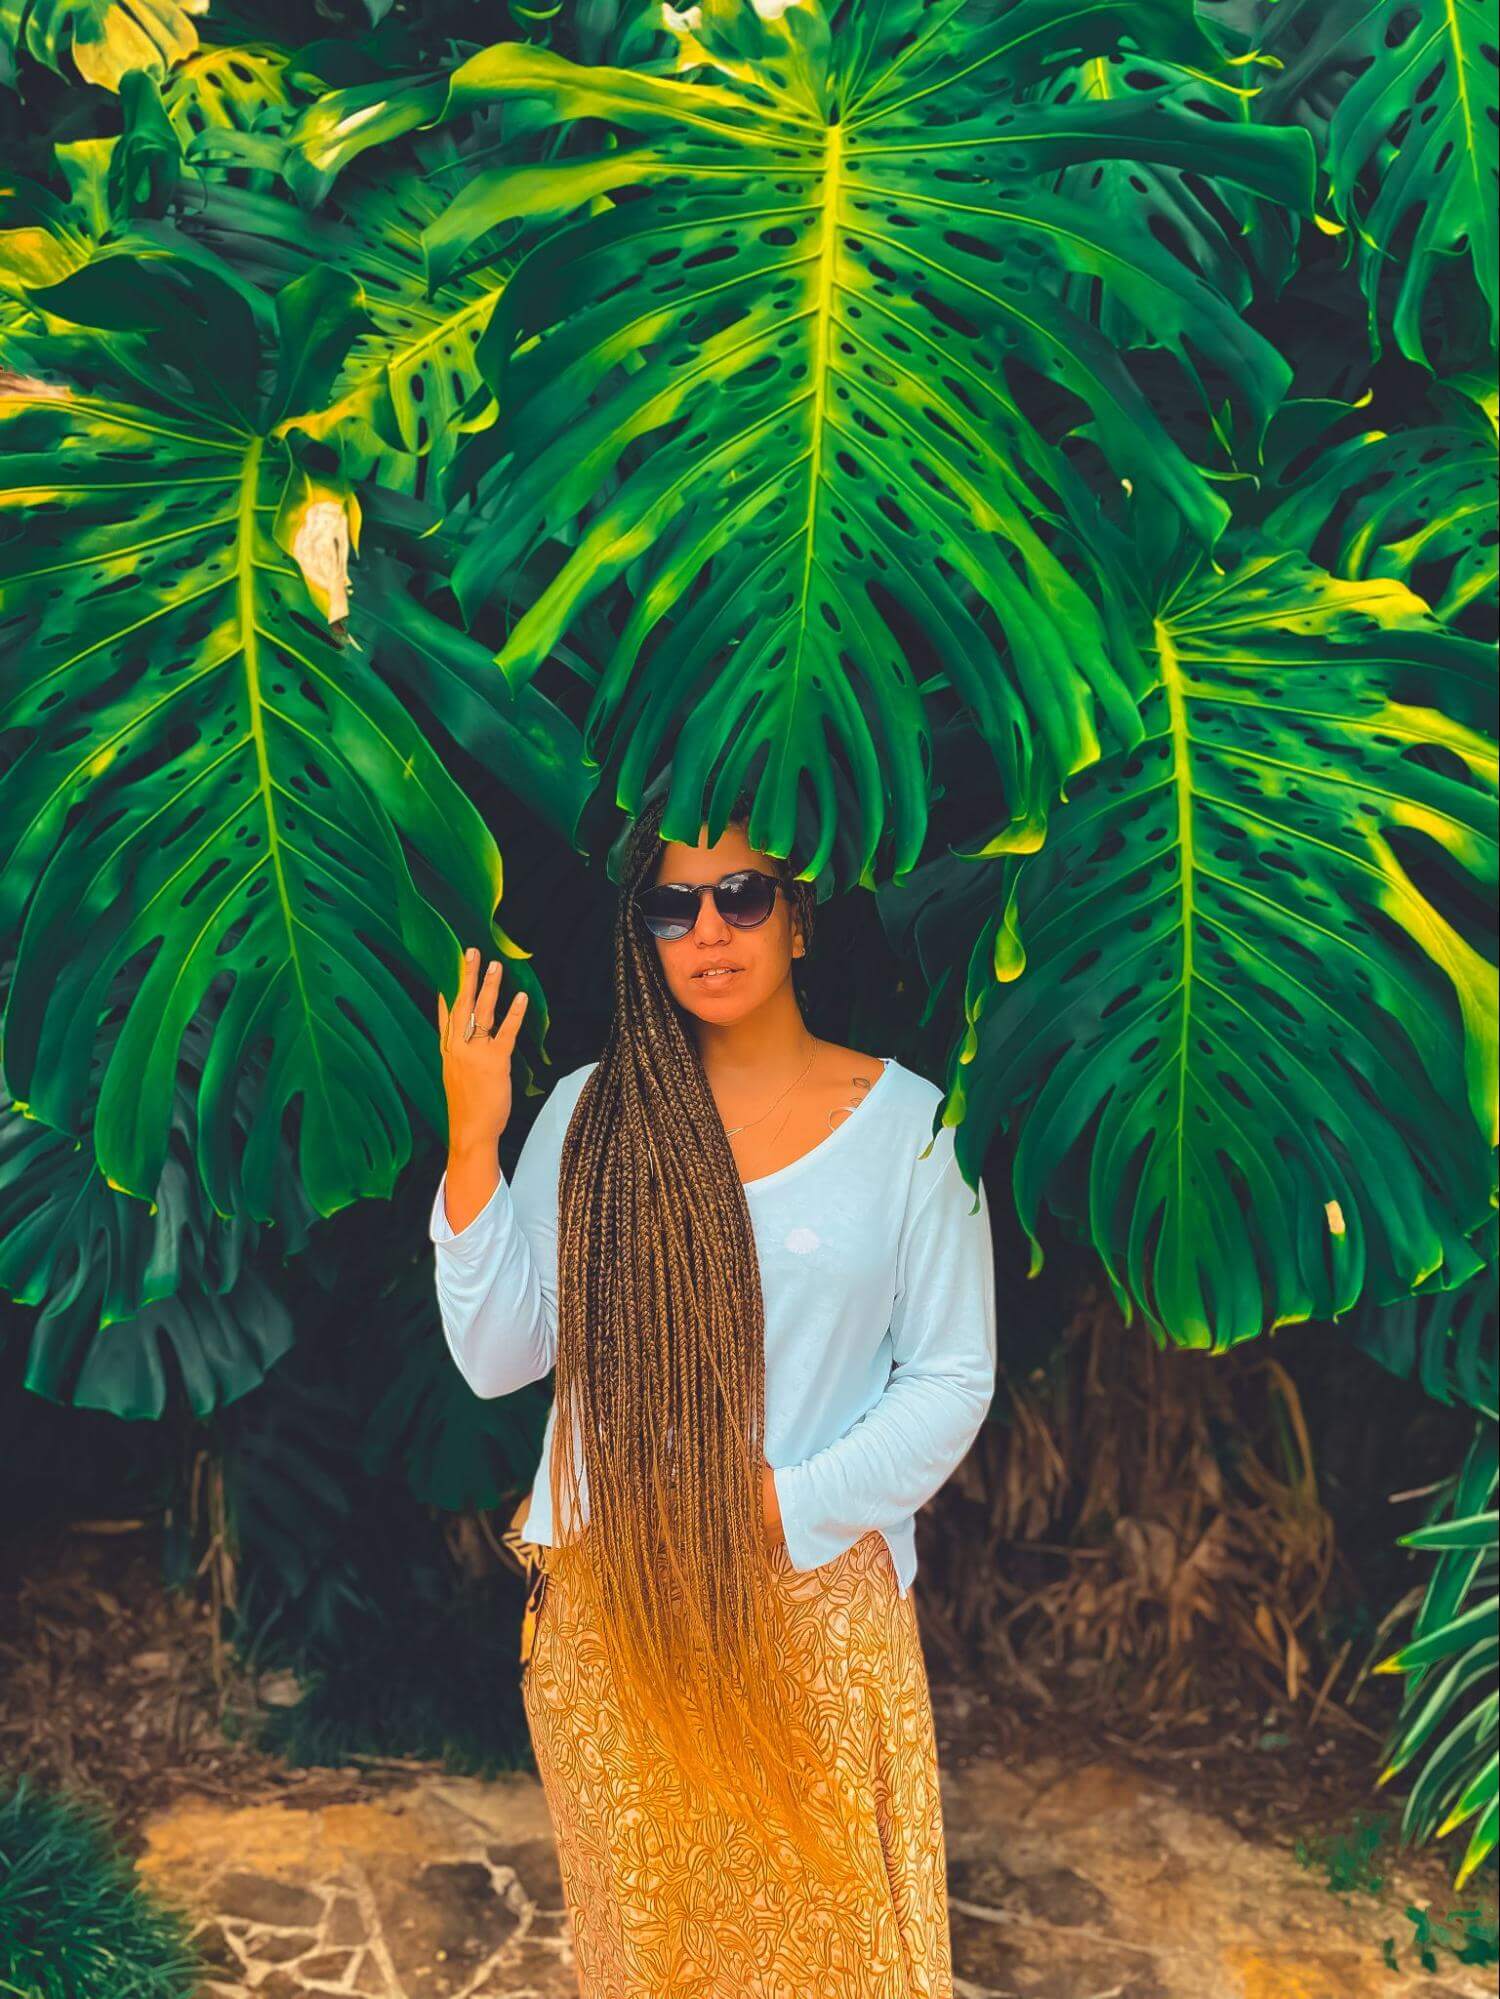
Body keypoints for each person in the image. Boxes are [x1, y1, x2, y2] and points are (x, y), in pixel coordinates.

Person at [429, 790, 996, 1998]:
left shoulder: (912, 1131)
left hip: (814, 1608)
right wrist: (474, 1147)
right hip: (617, 1610)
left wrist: (776, 1509)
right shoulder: (590, 1114)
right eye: (672, 908)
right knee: (651, 1956)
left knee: (845, 1957)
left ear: (797, 918)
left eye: (741, 895)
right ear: (643, 937)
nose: (710, 930)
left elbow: (951, 1376)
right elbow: (502, 1355)